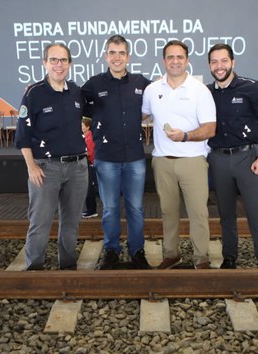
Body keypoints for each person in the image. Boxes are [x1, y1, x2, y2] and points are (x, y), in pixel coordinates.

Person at [141, 40, 216, 269]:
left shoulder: (199, 90)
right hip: (162, 161)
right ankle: (171, 255)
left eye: (180, 57)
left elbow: (210, 129)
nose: (175, 61)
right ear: (164, 61)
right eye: (170, 57)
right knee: (168, 213)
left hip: (192, 161)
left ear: (187, 60)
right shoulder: (152, 90)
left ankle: (201, 258)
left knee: (198, 213)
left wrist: (185, 136)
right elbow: (140, 116)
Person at [15, 43, 88, 270]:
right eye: (54, 60)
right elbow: (22, 134)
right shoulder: (33, 93)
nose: (59, 65)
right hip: (45, 169)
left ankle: (67, 267)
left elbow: (87, 118)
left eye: (63, 60)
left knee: (71, 223)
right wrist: (31, 167)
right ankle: (34, 269)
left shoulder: (76, 91)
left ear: (70, 64)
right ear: (44, 63)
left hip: (77, 168)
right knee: (40, 223)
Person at [81, 34, 151, 270]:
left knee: (136, 208)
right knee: (110, 209)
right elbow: (72, 101)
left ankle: (137, 251)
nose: (117, 57)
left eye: (121, 53)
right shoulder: (93, 84)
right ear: (106, 56)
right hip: (106, 158)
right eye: (112, 53)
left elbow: (164, 98)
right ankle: (111, 251)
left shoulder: (142, 83)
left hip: (135, 158)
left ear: (128, 56)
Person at [206, 44, 258, 269]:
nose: (219, 66)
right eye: (214, 62)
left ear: (232, 62)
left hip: (247, 159)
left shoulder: (251, 88)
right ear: (209, 65)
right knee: (226, 215)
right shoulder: (205, 93)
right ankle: (229, 258)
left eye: (224, 61)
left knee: (256, 214)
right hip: (217, 160)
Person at [81, 117, 98, 219]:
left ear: (88, 127)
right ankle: (90, 210)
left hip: (90, 166)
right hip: (87, 165)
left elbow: (90, 153)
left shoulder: (90, 137)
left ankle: (92, 210)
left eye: (82, 126)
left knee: (89, 189)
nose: (81, 127)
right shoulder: (85, 136)